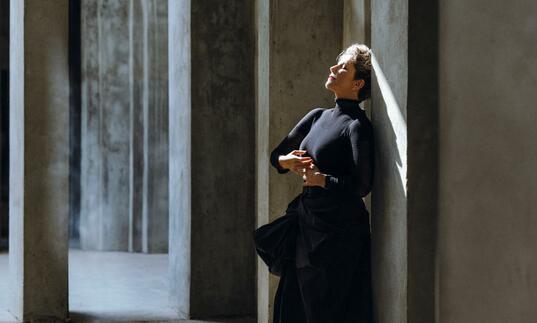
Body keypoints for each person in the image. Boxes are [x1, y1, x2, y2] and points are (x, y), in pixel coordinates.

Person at [269, 43, 374, 323]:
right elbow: (276, 156)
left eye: (343, 67)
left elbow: (363, 185)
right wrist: (286, 161)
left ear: (358, 83)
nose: (333, 69)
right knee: (292, 306)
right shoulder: (317, 116)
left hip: (339, 235)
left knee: (325, 309)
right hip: (306, 223)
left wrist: (322, 180)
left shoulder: (357, 126)